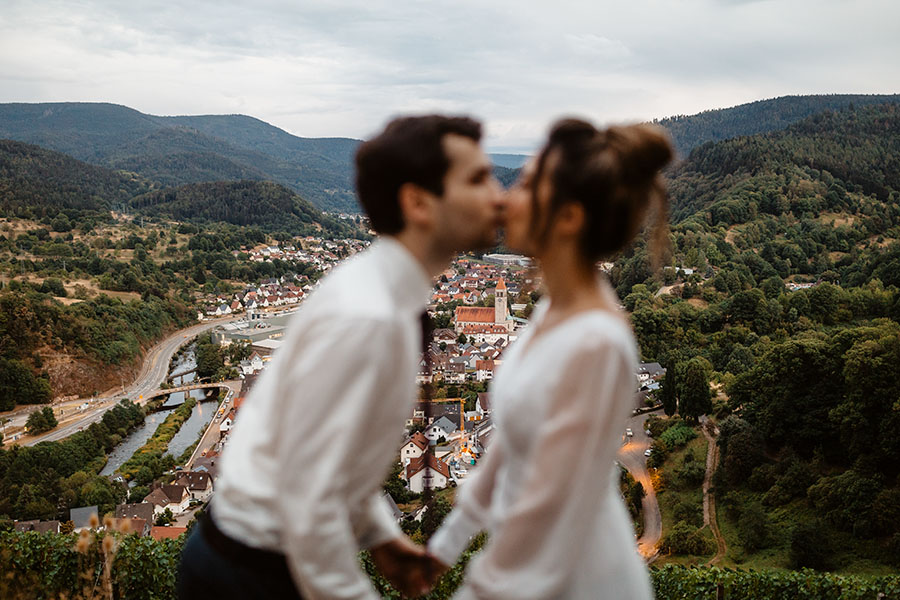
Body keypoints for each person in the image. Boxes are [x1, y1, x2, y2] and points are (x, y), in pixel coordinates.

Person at [177, 115, 504, 600]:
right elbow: (309, 496)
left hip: (247, 559)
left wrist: (383, 541)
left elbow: (336, 456)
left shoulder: (375, 288)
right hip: (259, 574)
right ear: (417, 202)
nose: (497, 194)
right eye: (477, 179)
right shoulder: (371, 317)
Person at [428, 118, 673, 599]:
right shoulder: (550, 313)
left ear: (568, 218)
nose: (505, 195)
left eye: (524, 183)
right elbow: (507, 449)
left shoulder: (596, 342)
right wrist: (443, 548)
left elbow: (550, 506)